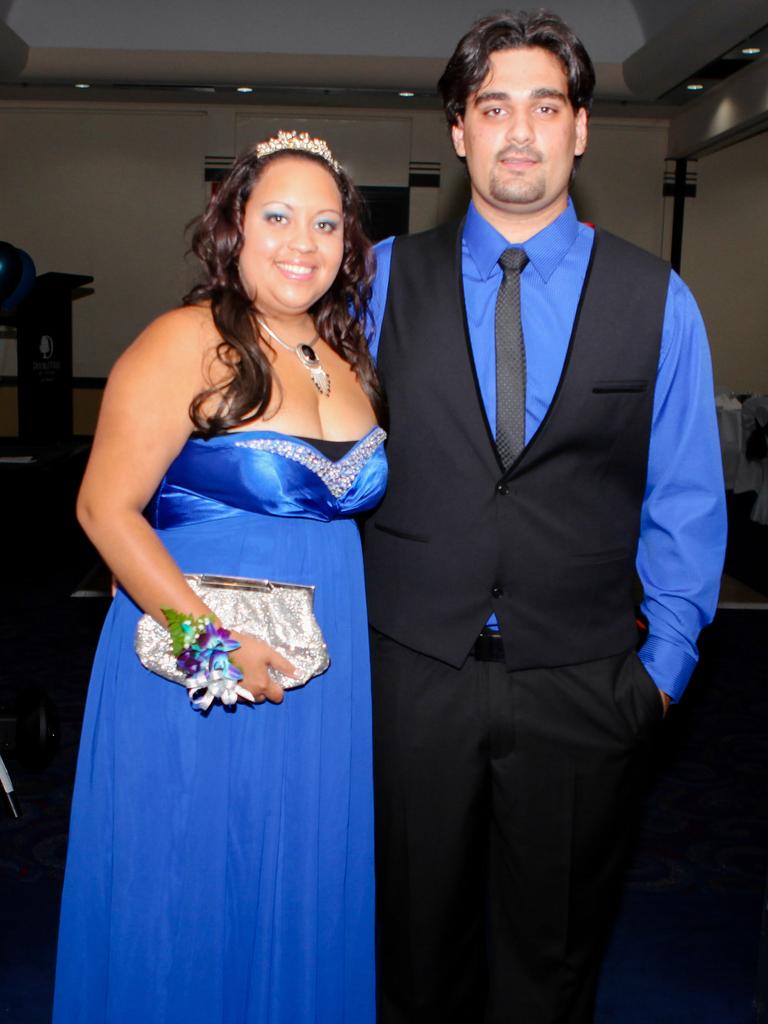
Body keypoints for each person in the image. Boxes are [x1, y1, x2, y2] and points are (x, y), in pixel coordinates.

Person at [364, 11, 726, 1024]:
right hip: (411, 679)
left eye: (544, 105)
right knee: (414, 953)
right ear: (458, 131)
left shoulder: (660, 300)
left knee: (553, 961)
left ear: (578, 130)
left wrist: (662, 676)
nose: (518, 130)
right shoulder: (380, 283)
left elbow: (686, 498)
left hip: (583, 684)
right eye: (493, 107)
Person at [53, 131, 386, 1024]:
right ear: (235, 225)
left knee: (304, 883)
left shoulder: (344, 352)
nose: (301, 242)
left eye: (326, 223)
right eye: (277, 215)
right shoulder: (184, 339)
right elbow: (102, 510)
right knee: (191, 886)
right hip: (196, 675)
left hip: (324, 675)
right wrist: (208, 649)